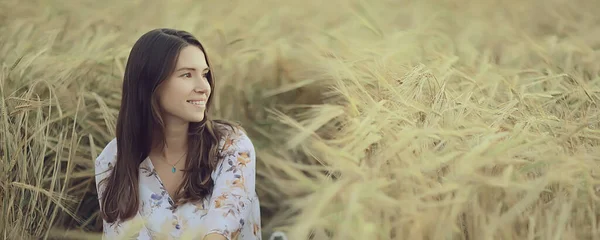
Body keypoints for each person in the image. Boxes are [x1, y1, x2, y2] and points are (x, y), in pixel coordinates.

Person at [94, 28, 262, 240]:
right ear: (151, 84)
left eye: (205, 74)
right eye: (186, 75)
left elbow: (221, 233)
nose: (204, 87)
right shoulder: (113, 161)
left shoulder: (231, 146)